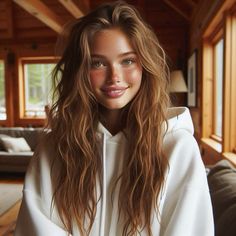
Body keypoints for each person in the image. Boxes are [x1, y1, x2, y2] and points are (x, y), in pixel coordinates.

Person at [15, 1, 214, 235]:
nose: (114, 77)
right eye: (97, 63)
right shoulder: (54, 148)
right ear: (80, 71)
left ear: (144, 66)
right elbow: (36, 228)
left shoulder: (178, 148)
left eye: (127, 60)